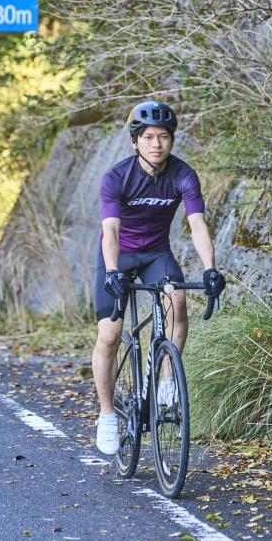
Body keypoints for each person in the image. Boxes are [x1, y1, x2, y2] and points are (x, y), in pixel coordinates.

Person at [92, 100, 225, 454]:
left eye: (164, 136)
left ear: (171, 140)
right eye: (148, 136)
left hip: (156, 253)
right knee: (110, 335)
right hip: (118, 253)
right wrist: (112, 272)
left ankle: (166, 381)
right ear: (135, 141)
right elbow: (111, 229)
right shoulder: (116, 177)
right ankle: (107, 415)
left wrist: (210, 267)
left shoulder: (183, 175)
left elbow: (197, 224)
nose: (156, 144)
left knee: (177, 300)